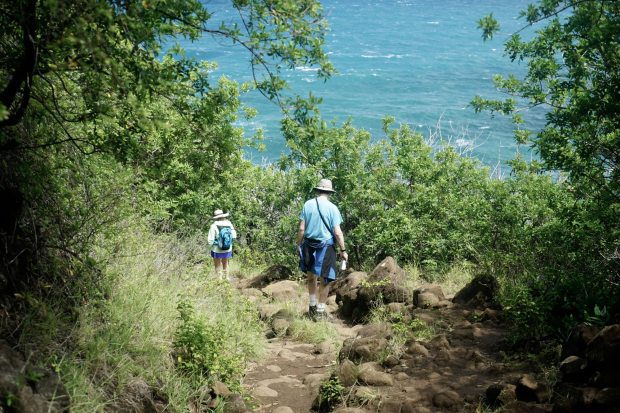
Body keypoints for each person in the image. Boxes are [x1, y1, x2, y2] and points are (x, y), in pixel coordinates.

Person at [296, 178, 348, 321]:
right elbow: (337, 232)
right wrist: (343, 250)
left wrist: (298, 244)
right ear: (329, 192)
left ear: (318, 190)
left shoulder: (308, 204)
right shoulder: (333, 208)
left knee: (311, 276)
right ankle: (320, 312)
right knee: (325, 278)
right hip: (325, 247)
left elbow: (301, 229)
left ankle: (312, 307)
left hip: (308, 245)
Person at [207, 209, 237, 280]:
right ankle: (227, 278)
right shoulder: (229, 224)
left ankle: (219, 280)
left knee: (217, 264)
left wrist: (210, 246)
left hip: (216, 249)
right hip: (227, 248)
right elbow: (234, 236)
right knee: (226, 263)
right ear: (223, 216)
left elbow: (210, 240)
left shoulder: (213, 225)